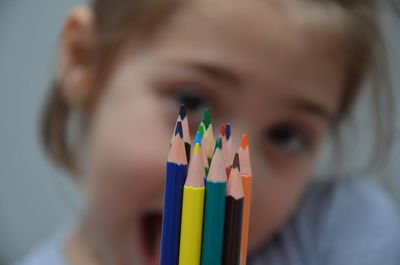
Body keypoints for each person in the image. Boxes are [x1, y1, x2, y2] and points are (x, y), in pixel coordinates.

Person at [17, 0, 400, 264]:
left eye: (286, 134)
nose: (234, 168)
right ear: (85, 59)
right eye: (191, 99)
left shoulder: (343, 229)